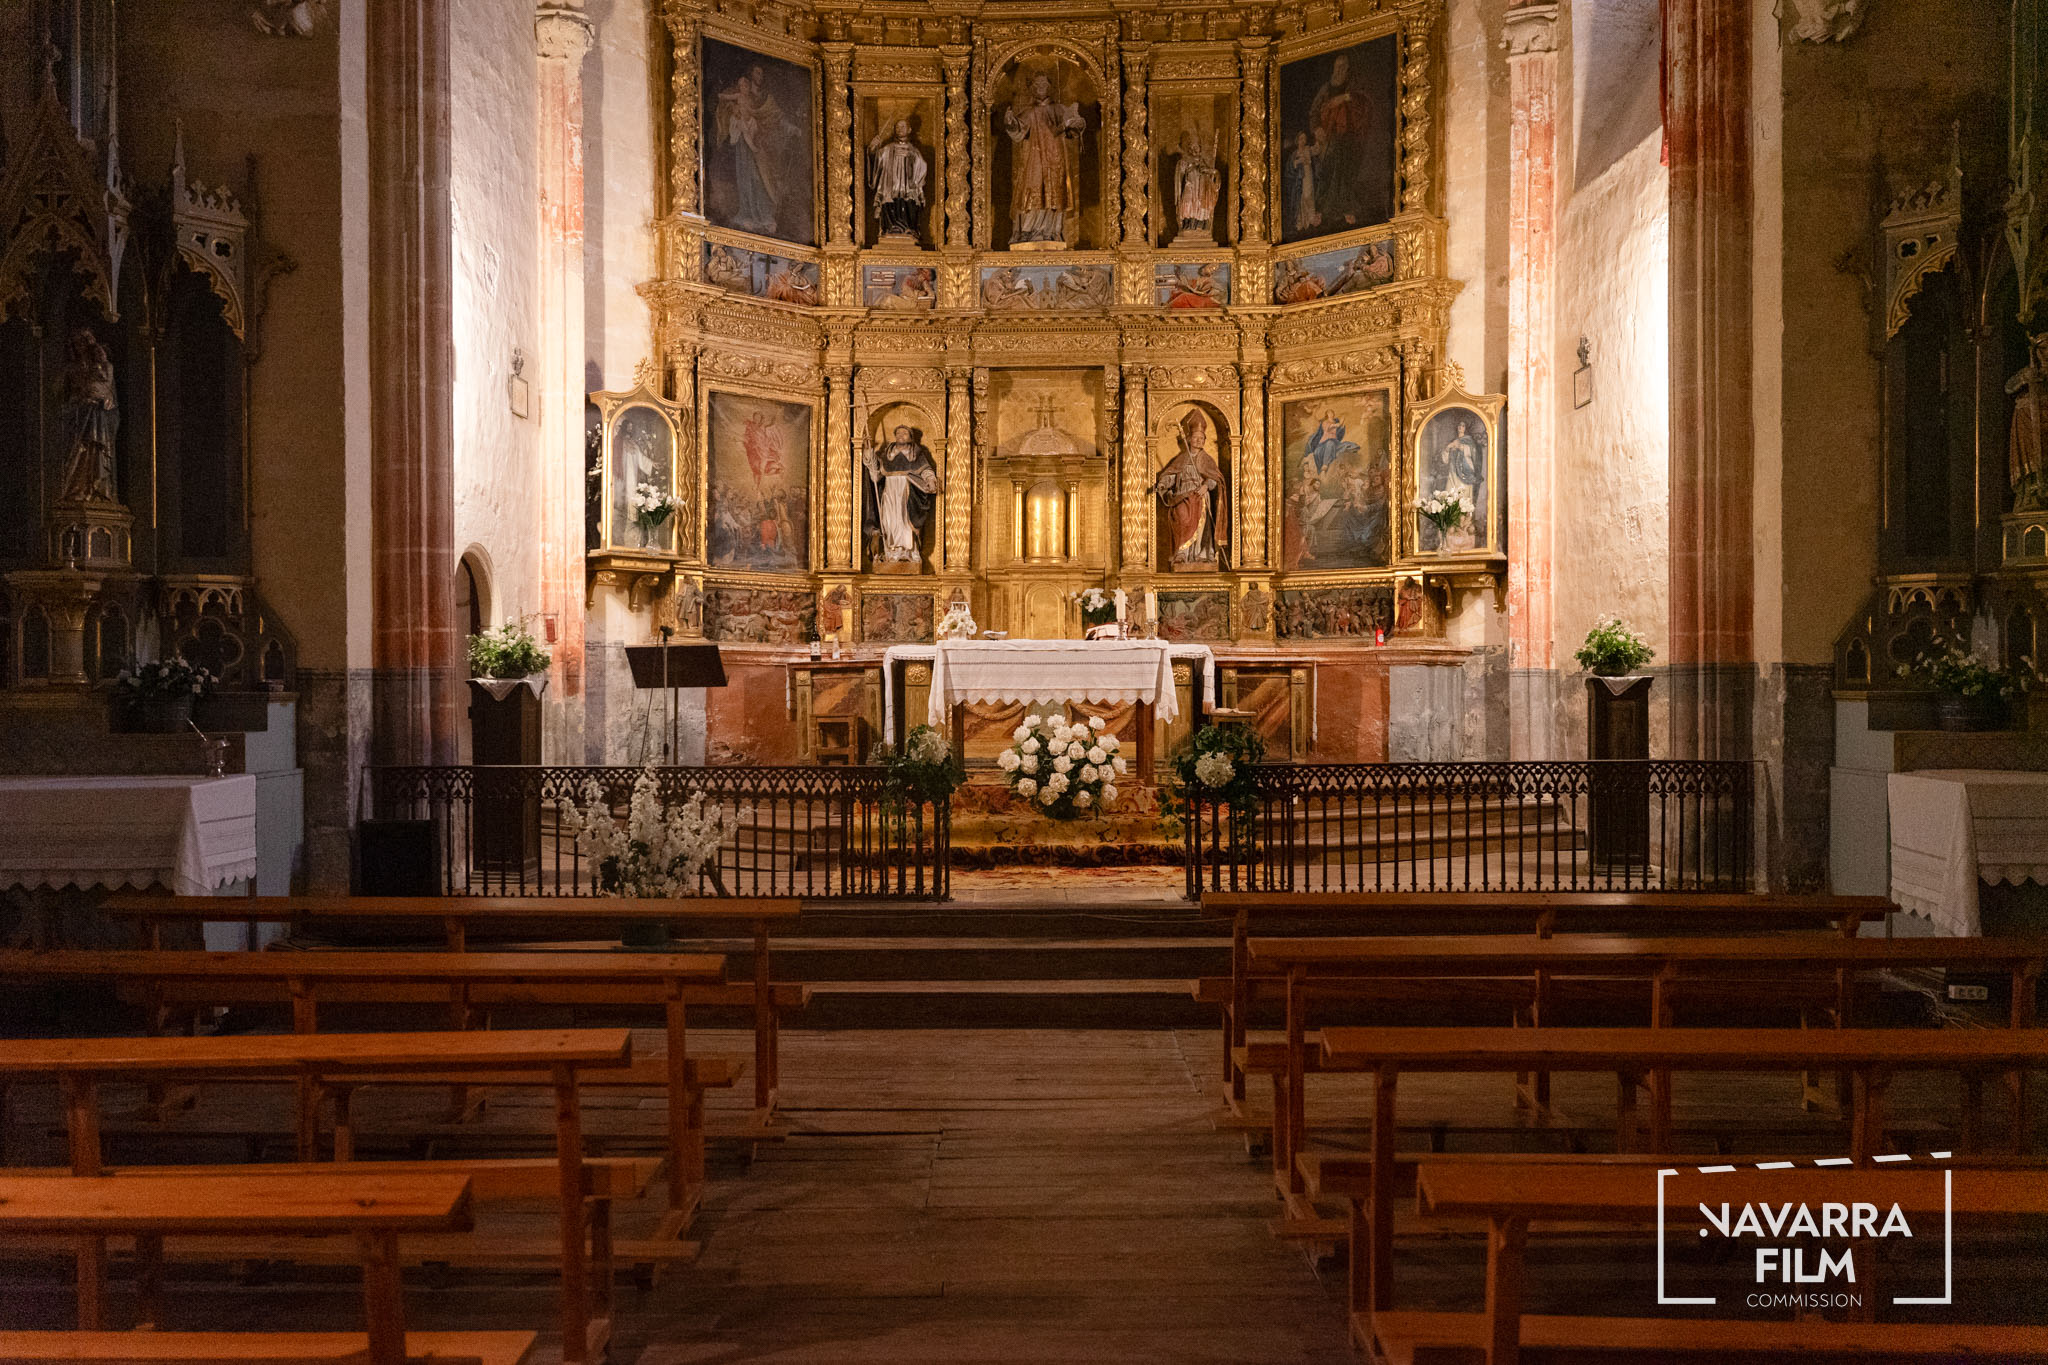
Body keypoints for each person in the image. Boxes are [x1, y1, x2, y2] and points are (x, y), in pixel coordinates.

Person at [1003, 73, 1086, 244]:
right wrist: (1010, 121)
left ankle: (1051, 231)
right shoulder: (1029, 112)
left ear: (1049, 87)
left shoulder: (1060, 109)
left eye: (1044, 84)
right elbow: (1017, 130)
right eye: (1037, 84)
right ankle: (1028, 231)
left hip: (1056, 159)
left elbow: (1075, 128)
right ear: (1032, 88)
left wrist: (1076, 123)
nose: (1041, 87)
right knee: (1032, 188)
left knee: (1055, 192)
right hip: (1035, 158)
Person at [714, 63, 787, 237]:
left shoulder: (761, 99)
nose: (760, 77)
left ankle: (764, 215)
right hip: (744, 143)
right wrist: (735, 112)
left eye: (762, 74)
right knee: (747, 176)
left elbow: (767, 116)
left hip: (758, 142)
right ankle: (747, 213)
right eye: (757, 73)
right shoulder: (740, 96)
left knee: (760, 178)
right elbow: (726, 101)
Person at [1153, 409, 1227, 568]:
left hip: (1200, 497)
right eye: (1195, 437)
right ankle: (1182, 553)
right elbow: (1171, 475)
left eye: (1202, 438)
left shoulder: (1207, 460)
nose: (1199, 441)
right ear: (1189, 439)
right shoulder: (1181, 459)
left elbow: (1216, 479)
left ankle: (1200, 554)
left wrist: (1206, 485)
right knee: (1181, 518)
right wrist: (1163, 483)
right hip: (1183, 496)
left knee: (1202, 526)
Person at [1308, 52, 1369, 230]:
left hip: (1349, 137)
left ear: (1348, 70)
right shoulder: (1326, 89)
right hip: (1329, 136)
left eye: (1343, 67)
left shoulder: (1353, 87)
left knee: (1345, 173)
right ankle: (1321, 210)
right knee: (1327, 171)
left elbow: (1364, 103)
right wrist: (1317, 129)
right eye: (1337, 67)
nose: (1339, 71)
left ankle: (1347, 209)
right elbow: (1314, 112)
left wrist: (1344, 98)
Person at [863, 425, 941, 566]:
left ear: (910, 437)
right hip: (889, 491)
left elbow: (925, 470)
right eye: (898, 433)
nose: (900, 435)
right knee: (889, 520)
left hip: (907, 492)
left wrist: (930, 480)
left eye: (904, 433)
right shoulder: (887, 454)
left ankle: (907, 552)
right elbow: (876, 475)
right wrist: (869, 454)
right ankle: (891, 552)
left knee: (904, 521)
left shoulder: (916, 454)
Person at [58, 328, 119, 503]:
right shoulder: (72, 369)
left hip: (97, 416)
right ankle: (77, 489)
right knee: (78, 452)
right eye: (78, 343)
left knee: (96, 450)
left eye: (85, 342)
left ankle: (98, 488)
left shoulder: (103, 367)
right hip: (78, 416)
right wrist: (79, 399)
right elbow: (61, 396)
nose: (82, 346)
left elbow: (108, 392)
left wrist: (101, 398)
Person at [868, 119, 929, 242]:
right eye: (897, 127)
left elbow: (922, 166)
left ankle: (909, 229)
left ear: (909, 130)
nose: (899, 129)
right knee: (890, 203)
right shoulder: (888, 149)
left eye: (902, 126)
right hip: (891, 186)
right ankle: (891, 227)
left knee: (909, 202)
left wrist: (915, 178)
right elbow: (876, 161)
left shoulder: (914, 150)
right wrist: (873, 149)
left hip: (908, 186)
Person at [1172, 128, 1222, 239]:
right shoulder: (1184, 161)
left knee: (1201, 206)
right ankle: (1188, 224)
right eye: (1192, 147)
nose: (1195, 150)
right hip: (1190, 187)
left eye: (1197, 147)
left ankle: (1200, 225)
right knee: (1187, 204)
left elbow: (1210, 173)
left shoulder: (1203, 162)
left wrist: (1212, 172)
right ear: (1189, 149)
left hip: (1201, 190)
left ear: (1200, 148)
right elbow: (1181, 176)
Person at [1285, 130, 1322, 236]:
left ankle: (1311, 219)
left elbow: (1316, 150)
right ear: (1297, 140)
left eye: (1304, 139)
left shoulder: (1307, 149)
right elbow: (1290, 166)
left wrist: (1318, 138)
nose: (1303, 141)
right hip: (1299, 179)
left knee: (1308, 195)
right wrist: (1297, 162)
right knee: (1300, 198)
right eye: (1301, 138)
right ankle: (1301, 221)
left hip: (1308, 177)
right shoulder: (1295, 153)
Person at [1161, 263, 1226, 309]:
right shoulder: (1199, 279)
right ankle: (1168, 303)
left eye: (1213, 270)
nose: (1212, 270)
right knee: (1179, 293)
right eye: (1210, 267)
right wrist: (1186, 285)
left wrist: (1189, 287)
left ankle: (1169, 307)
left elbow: (1202, 294)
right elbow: (1192, 289)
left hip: (1204, 300)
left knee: (1184, 296)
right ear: (1203, 267)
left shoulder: (1210, 281)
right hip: (1198, 297)